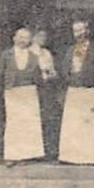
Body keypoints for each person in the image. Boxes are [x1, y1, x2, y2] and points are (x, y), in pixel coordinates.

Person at [57, 20, 94, 165]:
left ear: (87, 30)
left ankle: (89, 158)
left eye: (81, 30)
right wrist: (70, 78)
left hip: (89, 91)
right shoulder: (70, 50)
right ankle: (71, 157)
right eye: (75, 31)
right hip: (74, 91)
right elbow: (64, 69)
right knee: (73, 125)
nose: (79, 34)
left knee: (89, 125)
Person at [0, 27, 44, 164]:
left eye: (26, 38)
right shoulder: (6, 55)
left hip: (29, 91)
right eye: (20, 37)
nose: (22, 40)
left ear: (30, 40)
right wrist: (5, 89)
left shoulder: (34, 57)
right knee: (14, 124)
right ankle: (12, 156)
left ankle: (27, 155)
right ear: (14, 38)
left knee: (29, 124)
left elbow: (39, 78)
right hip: (12, 91)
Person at [31, 28, 64, 163]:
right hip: (34, 89)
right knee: (36, 120)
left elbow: (53, 71)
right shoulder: (29, 52)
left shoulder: (46, 53)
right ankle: (36, 152)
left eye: (44, 36)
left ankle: (50, 152)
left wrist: (52, 75)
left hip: (48, 89)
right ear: (33, 37)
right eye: (39, 35)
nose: (42, 38)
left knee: (50, 119)